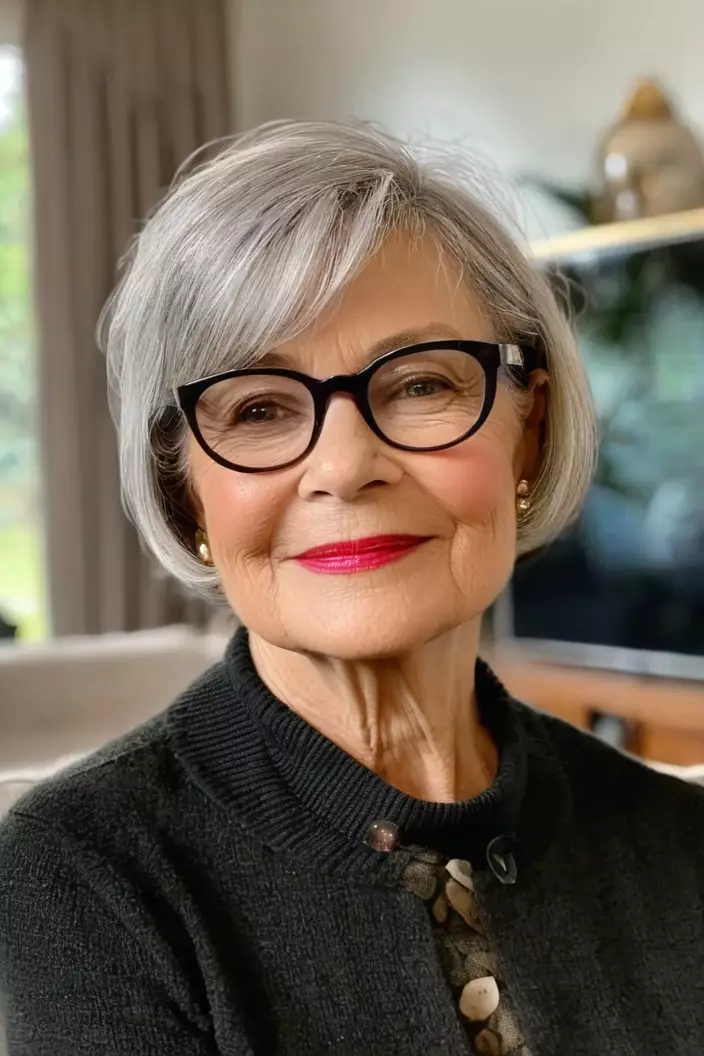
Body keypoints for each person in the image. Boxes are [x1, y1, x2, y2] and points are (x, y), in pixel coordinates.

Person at [1, 121, 703, 1056]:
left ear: (525, 434)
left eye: (420, 385)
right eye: (258, 407)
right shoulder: (85, 875)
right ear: (187, 492)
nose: (345, 466)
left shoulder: (683, 845)